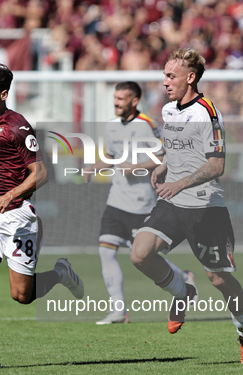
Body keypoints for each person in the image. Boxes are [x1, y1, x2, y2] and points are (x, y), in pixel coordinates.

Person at [130, 48, 243, 364]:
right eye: (164, 75)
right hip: (174, 204)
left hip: (206, 208)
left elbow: (217, 166)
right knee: (140, 253)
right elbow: (171, 147)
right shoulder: (169, 110)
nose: (164, 82)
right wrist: (162, 164)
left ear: (190, 78)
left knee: (218, 279)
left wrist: (179, 182)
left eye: (170, 76)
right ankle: (183, 289)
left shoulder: (207, 113)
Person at [0, 62, 84, 369]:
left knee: (22, 296)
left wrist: (10, 195)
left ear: (4, 94)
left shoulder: (18, 126)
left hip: (18, 218)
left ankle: (61, 273)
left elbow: (41, 173)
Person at [83, 81, 198, 325]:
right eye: (115, 98)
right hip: (116, 201)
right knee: (106, 251)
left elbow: (164, 157)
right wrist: (95, 167)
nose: (116, 103)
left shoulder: (147, 125)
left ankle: (184, 277)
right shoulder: (111, 126)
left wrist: (136, 168)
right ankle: (119, 310)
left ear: (134, 101)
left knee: (146, 256)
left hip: (142, 203)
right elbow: (114, 157)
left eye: (121, 99)